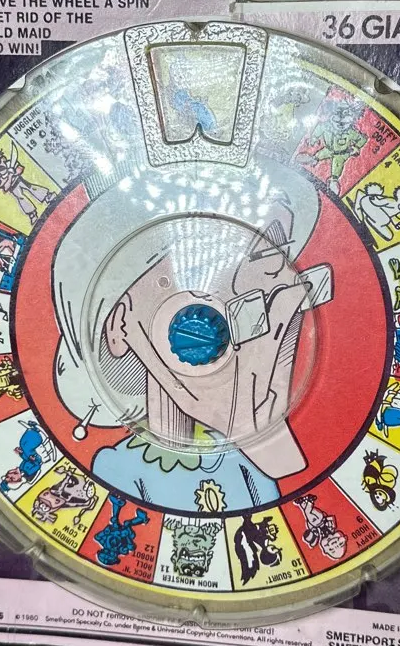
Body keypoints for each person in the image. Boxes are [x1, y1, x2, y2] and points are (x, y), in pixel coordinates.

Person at [52, 159, 329, 512]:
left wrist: (263, 433)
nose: (271, 281)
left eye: (275, 247)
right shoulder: (116, 472)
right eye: (201, 262)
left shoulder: (247, 469)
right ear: (120, 324)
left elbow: (291, 490)